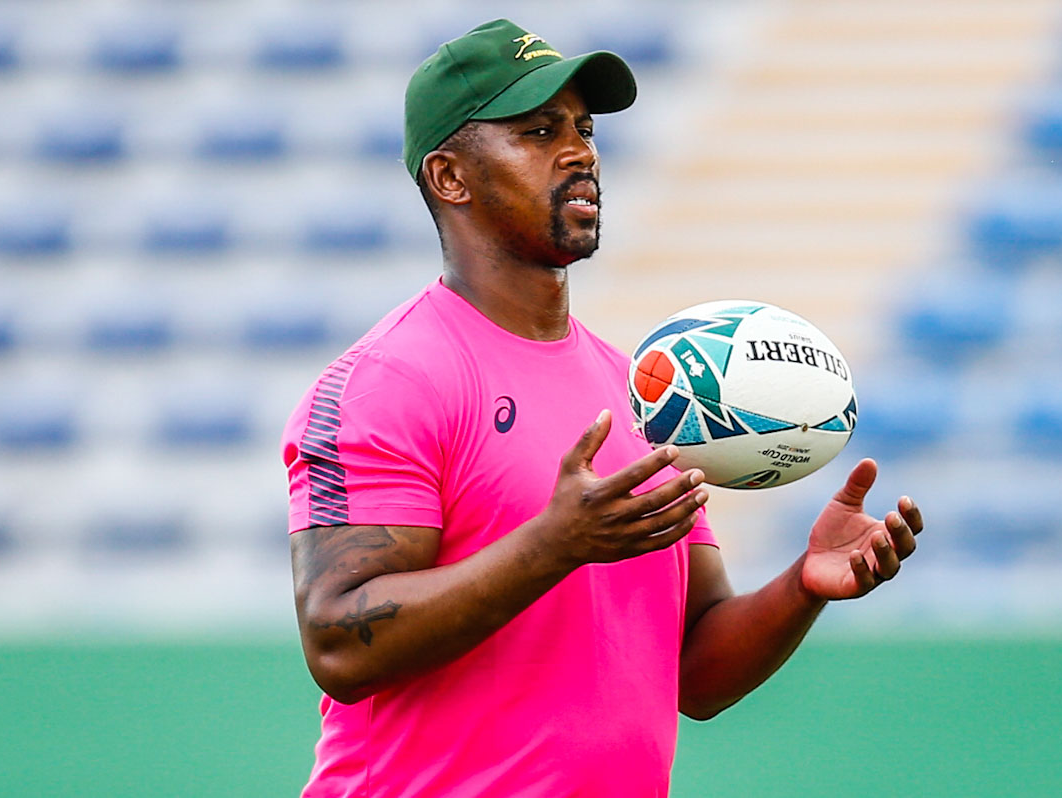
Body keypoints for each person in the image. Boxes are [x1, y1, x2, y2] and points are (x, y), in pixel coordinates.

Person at [282, 19, 924, 797]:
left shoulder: (642, 391)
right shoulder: (391, 381)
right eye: (538, 131)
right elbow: (339, 645)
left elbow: (696, 673)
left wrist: (803, 586)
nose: (580, 152)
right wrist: (554, 545)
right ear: (449, 176)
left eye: (584, 129)